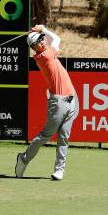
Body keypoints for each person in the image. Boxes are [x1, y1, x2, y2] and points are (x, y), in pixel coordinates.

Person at [15, 24, 78, 181]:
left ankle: (59, 170)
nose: (42, 42)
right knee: (46, 135)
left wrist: (42, 32)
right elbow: (57, 38)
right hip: (59, 103)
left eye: (42, 39)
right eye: (38, 41)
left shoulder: (46, 52)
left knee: (64, 137)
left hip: (71, 100)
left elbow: (54, 39)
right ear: (34, 47)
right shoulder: (45, 56)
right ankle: (24, 158)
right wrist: (43, 29)